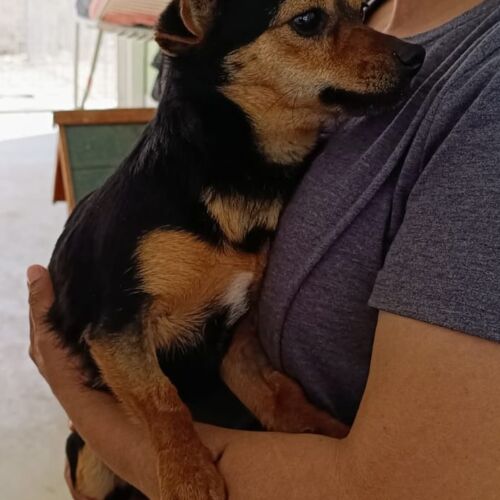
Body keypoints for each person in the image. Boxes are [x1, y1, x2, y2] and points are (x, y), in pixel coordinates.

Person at [28, 0, 500, 498]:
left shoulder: (482, 89)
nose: (384, 45)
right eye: (309, 23)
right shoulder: (175, 208)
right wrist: (157, 436)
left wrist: (85, 405)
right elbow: (117, 333)